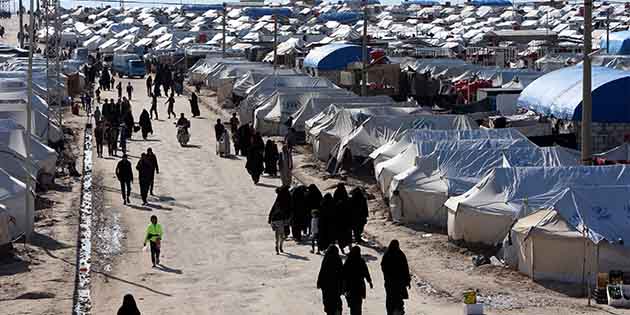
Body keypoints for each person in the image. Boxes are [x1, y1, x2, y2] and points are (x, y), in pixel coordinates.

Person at [381, 240, 411, 315]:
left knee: (390, 299)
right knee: (398, 299)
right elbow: (405, 269)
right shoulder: (400, 254)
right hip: (399, 283)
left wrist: (387, 276)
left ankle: (391, 313)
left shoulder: (387, 254)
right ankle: (398, 312)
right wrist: (407, 281)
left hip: (390, 283)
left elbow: (383, 267)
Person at [342, 246, 373, 315]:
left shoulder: (348, 260)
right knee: (358, 305)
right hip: (359, 286)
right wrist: (369, 281)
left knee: (352, 305)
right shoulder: (361, 260)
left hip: (350, 286)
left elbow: (343, 274)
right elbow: (366, 272)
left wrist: (343, 286)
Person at [317, 245, 344, 315]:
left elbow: (322, 271)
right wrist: (343, 286)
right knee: (336, 301)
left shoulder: (326, 258)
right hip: (336, 285)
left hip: (326, 286)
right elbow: (341, 273)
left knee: (328, 302)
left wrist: (319, 282)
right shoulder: (338, 259)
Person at [268, 186, 291, 254]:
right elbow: (289, 210)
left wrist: (270, 219)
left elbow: (273, 209)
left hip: (274, 219)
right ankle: (280, 247)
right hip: (281, 220)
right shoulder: (287, 198)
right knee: (282, 235)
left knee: (277, 234)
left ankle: (277, 246)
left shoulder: (278, 199)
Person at [333, 183, 352, 254]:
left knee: (341, 237)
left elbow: (334, 203)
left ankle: (343, 250)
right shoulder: (344, 192)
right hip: (346, 220)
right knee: (348, 237)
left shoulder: (337, 192)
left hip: (339, 220)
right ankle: (350, 250)